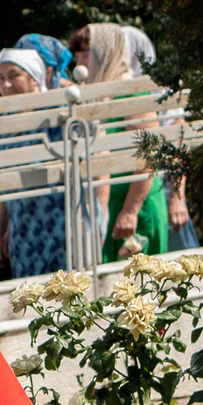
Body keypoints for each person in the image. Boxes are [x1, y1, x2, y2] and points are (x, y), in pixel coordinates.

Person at [76, 23, 170, 261]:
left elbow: (149, 158)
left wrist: (130, 211)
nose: (79, 64)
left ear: (106, 53)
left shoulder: (133, 94)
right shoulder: (100, 96)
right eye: (77, 56)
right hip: (111, 207)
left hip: (137, 209)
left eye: (86, 54)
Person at [0, 47, 68, 282]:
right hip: (23, 231)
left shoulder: (55, 114)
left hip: (61, 225)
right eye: (1, 78)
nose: (6, 85)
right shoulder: (7, 126)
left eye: (14, 75)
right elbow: (4, 181)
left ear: (34, 77)